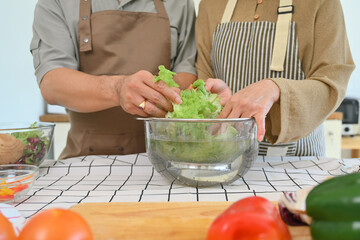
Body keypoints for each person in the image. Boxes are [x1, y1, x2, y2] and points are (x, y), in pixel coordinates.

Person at [30, 0, 197, 159]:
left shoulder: (180, 3)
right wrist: (117, 89)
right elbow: (52, 83)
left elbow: (188, 72)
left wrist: (164, 95)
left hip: (165, 158)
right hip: (86, 160)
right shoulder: (57, 3)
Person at [195, 0, 355, 156]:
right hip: (225, 157)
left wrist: (278, 89)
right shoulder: (210, 4)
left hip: (298, 158)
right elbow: (204, 81)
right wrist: (218, 102)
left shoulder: (322, 2)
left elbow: (332, 82)